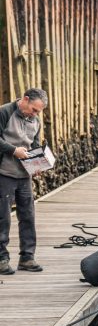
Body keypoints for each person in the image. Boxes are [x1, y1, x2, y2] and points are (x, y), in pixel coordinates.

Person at [0, 88, 48, 274]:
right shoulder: (4, 112)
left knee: (28, 216)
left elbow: (34, 144)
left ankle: (27, 258)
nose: (35, 114)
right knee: (3, 218)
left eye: (38, 112)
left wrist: (37, 165)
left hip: (24, 176)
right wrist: (13, 150)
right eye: (34, 110)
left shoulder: (35, 120)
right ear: (25, 100)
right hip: (4, 173)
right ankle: (2, 259)